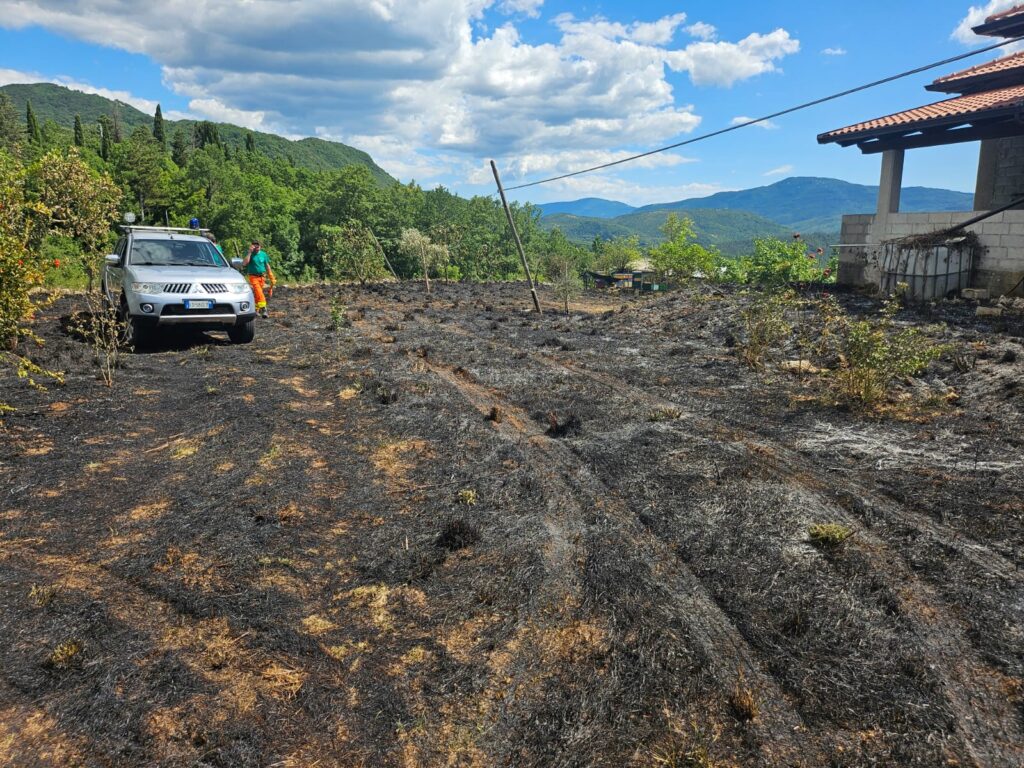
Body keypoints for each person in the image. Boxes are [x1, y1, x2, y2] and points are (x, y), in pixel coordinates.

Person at [242, 240, 276, 317]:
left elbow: (267, 265)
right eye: (255, 246)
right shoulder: (250, 254)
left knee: (258, 293)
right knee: (259, 292)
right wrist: (249, 253)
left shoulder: (263, 254)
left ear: (260, 246)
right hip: (253, 277)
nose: (256, 248)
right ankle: (264, 309)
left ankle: (256, 309)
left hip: (262, 277)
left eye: (258, 246)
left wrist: (271, 276)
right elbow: (244, 263)